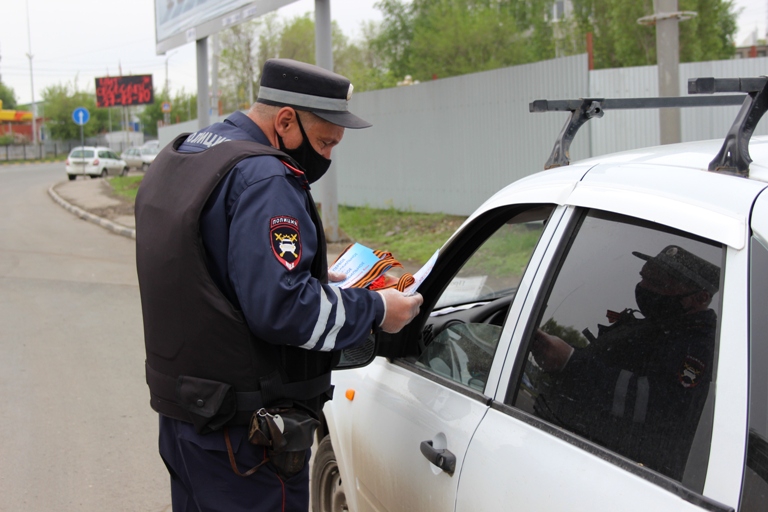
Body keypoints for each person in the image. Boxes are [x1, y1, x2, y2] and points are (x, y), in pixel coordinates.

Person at [135, 58, 423, 512]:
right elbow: (282, 310)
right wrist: (379, 308)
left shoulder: (188, 153)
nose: (327, 156)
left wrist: (304, 275)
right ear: (286, 120)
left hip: (186, 417)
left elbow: (199, 263)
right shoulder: (265, 177)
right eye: (326, 142)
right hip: (248, 438)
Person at [531, 245, 720, 481]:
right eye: (644, 277)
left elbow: (659, 405)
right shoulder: (656, 326)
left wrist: (571, 362)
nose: (644, 288)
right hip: (575, 445)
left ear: (700, 298)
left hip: (624, 471)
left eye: (659, 284)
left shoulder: (699, 346)